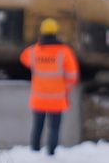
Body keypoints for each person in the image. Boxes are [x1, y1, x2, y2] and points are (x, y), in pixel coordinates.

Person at [20, 18, 80, 155]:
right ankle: (51, 153)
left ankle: (34, 151)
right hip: (57, 99)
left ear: (41, 32)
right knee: (54, 128)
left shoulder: (34, 51)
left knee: (37, 127)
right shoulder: (64, 52)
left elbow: (23, 57)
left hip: (38, 98)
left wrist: (38, 45)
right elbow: (72, 76)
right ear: (56, 32)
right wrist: (67, 89)